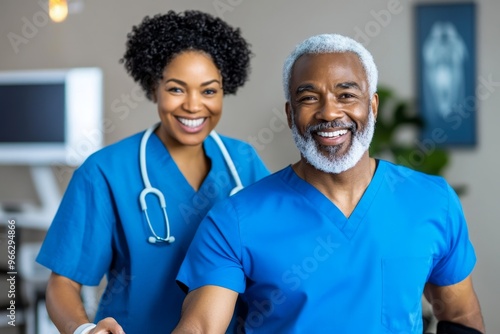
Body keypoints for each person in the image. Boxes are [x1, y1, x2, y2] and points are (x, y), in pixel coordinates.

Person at [172, 33, 485, 333]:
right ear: (290, 114)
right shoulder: (234, 220)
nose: (329, 112)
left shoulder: (432, 200)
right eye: (309, 98)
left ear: (372, 106)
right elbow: (200, 326)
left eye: (346, 94)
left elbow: (459, 317)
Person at [36, 10, 269, 334]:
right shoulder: (105, 172)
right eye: (176, 89)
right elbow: (63, 283)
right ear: (152, 87)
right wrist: (84, 329)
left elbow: (275, 257)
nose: (193, 105)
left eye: (209, 90)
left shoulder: (243, 162)